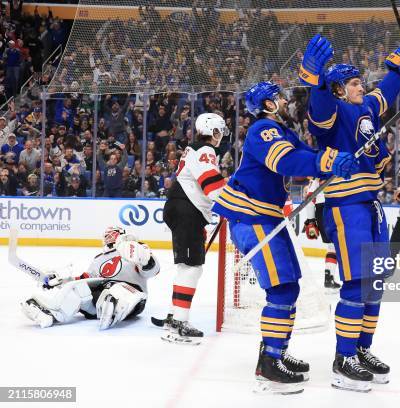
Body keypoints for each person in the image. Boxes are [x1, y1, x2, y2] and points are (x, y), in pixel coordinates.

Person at [212, 81, 359, 394]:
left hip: (265, 218)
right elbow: (286, 162)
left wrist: (335, 156)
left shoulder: (282, 130)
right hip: (252, 218)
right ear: (267, 105)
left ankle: (276, 352)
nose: (283, 101)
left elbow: (308, 156)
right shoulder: (263, 129)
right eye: (277, 97)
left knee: (288, 286)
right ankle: (269, 365)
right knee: (281, 289)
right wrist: (326, 162)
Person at [302, 33, 400, 391]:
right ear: (339, 88)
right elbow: (318, 110)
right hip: (345, 205)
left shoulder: (367, 105)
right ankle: (343, 358)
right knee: (355, 282)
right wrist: (316, 77)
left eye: (360, 82)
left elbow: (385, 91)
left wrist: (396, 69)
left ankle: (362, 349)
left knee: (376, 282)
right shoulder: (332, 109)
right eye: (354, 82)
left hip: (372, 204)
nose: (360, 86)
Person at [159, 113, 229, 345]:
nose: (221, 137)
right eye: (220, 132)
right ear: (213, 132)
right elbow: (211, 185)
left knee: (187, 268)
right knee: (191, 268)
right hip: (187, 210)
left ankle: (173, 317)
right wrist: (233, 204)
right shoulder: (205, 150)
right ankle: (179, 324)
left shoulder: (194, 149)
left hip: (182, 208)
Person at [21, 227, 160, 330]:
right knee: (78, 288)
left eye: (112, 234)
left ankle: (112, 304)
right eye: (106, 235)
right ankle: (53, 313)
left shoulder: (136, 247)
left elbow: (153, 271)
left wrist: (146, 260)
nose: (108, 237)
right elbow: (86, 278)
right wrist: (61, 281)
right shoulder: (99, 259)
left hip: (132, 294)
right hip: (100, 299)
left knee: (115, 289)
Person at [302, 178, 341, 290]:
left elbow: (309, 199)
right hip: (334, 207)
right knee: (341, 245)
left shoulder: (316, 177)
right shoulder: (341, 171)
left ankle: (329, 278)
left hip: (321, 210)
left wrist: (311, 220)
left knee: (332, 246)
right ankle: (347, 279)